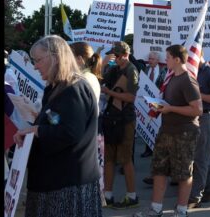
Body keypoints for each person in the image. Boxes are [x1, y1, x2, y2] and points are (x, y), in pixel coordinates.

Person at [13, 35, 102, 217]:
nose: (35, 66)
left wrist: (37, 130)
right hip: (54, 182)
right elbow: (59, 122)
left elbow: (70, 132)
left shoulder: (74, 89)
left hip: (66, 186)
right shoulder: (57, 87)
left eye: (38, 60)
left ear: (55, 57)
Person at [134, 44, 202, 217]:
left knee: (183, 172)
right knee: (159, 169)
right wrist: (160, 106)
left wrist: (171, 108)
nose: (166, 60)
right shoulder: (171, 78)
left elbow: (197, 110)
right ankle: (155, 209)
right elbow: (169, 104)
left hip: (184, 132)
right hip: (167, 131)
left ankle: (181, 210)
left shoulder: (188, 79)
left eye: (169, 57)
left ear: (177, 59)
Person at [101, 41, 140, 209]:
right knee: (109, 158)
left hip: (125, 119)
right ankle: (107, 196)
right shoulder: (114, 69)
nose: (113, 58)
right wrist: (102, 64)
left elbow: (131, 97)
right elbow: (102, 80)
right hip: (111, 118)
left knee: (125, 159)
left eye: (116, 56)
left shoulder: (132, 70)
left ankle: (132, 196)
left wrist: (109, 92)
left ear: (125, 55)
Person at [69, 41, 105, 206]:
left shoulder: (84, 79)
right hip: (88, 132)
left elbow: (79, 110)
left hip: (85, 135)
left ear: (79, 59)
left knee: (84, 186)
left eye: (69, 56)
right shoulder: (87, 77)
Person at [188, 53, 210, 208]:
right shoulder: (193, 71)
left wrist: (197, 95)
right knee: (203, 155)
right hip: (196, 116)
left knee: (200, 156)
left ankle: (196, 195)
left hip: (206, 116)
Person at [141, 51, 167, 158]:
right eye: (149, 58)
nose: (149, 61)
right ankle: (148, 149)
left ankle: (159, 149)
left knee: (157, 125)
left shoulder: (163, 71)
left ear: (157, 60)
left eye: (152, 59)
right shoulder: (145, 70)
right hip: (145, 101)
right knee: (147, 124)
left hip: (157, 102)